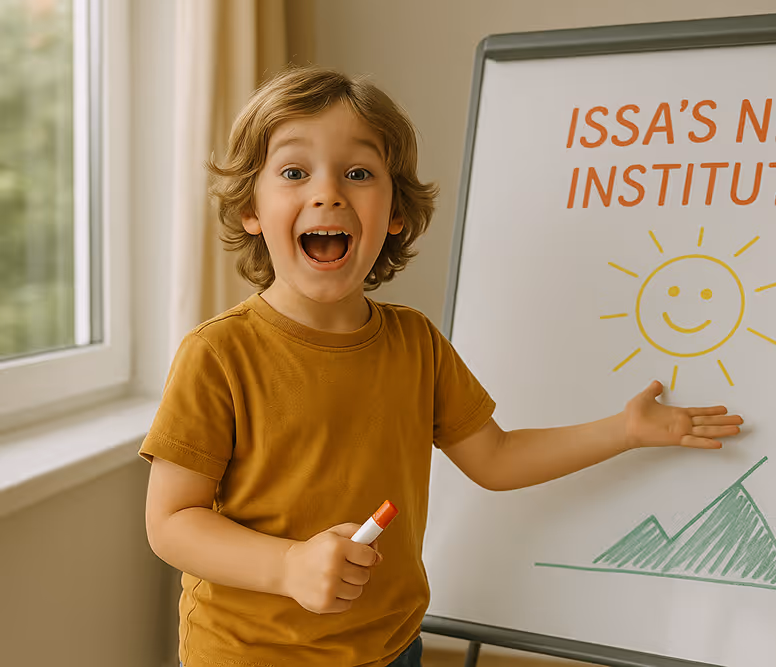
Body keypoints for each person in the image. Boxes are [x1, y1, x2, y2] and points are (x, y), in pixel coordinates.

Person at [140, 65, 743, 667]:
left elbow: (496, 459)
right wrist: (288, 566)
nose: (327, 192)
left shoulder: (417, 344)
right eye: (295, 172)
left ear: (396, 213)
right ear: (251, 208)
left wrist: (624, 430)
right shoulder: (217, 355)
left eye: (358, 173)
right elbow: (170, 522)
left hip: (392, 647)